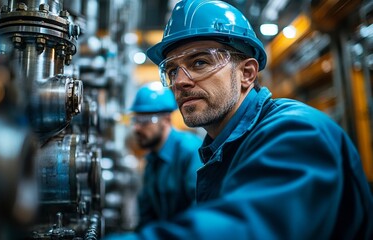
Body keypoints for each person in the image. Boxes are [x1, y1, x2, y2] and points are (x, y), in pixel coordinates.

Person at [104, 0, 373, 239]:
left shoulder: (298, 131)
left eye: (199, 62)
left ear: (247, 73)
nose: (180, 81)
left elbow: (244, 228)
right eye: (172, 71)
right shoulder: (221, 150)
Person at [128, 82, 203, 229]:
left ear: (166, 120)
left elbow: (200, 212)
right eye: (136, 120)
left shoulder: (190, 151)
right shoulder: (152, 158)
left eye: (144, 121)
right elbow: (146, 213)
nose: (136, 128)